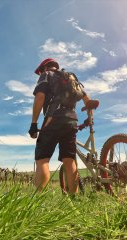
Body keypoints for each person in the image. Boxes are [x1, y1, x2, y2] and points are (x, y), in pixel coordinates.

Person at [28, 58, 92, 194]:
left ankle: (37, 202)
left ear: (44, 68)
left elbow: (40, 97)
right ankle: (73, 198)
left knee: (42, 160)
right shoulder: (70, 77)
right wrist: (89, 115)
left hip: (53, 118)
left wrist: (34, 123)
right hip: (71, 120)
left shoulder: (46, 75)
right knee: (70, 162)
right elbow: (87, 99)